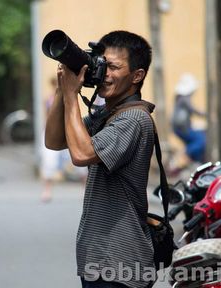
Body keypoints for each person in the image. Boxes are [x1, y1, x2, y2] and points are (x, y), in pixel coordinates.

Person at [45, 31, 156, 287]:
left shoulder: (134, 120)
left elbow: (82, 154)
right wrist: (63, 91)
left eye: (114, 67)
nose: (104, 73)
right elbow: (54, 140)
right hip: (102, 260)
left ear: (137, 76)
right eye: (102, 64)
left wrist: (73, 95)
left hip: (120, 264)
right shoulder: (107, 116)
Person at [171, 73, 206, 164]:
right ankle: (185, 153)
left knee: (197, 140)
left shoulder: (179, 98)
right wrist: (206, 114)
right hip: (182, 128)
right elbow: (193, 110)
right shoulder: (184, 98)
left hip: (179, 127)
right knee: (201, 140)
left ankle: (196, 161)